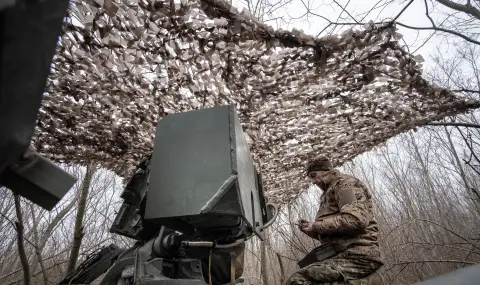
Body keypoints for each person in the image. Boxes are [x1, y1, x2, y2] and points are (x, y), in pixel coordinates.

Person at [285, 156, 384, 285]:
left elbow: (355, 220)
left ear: (326, 170)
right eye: (311, 178)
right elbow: (338, 233)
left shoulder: (346, 185)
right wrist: (312, 230)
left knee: (298, 280)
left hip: (359, 255)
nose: (314, 181)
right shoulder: (328, 193)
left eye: (314, 175)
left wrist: (316, 226)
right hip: (341, 255)